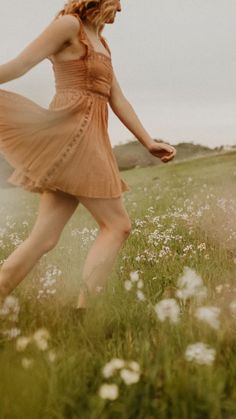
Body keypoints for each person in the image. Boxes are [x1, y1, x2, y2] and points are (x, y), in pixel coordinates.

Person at [0, 0, 176, 316]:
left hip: (90, 136)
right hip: (71, 133)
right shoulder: (68, 26)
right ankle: (84, 314)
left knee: (44, 238)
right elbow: (21, 65)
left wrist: (148, 141)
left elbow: (116, 96)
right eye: (117, 2)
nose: (120, 11)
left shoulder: (102, 42)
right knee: (117, 225)